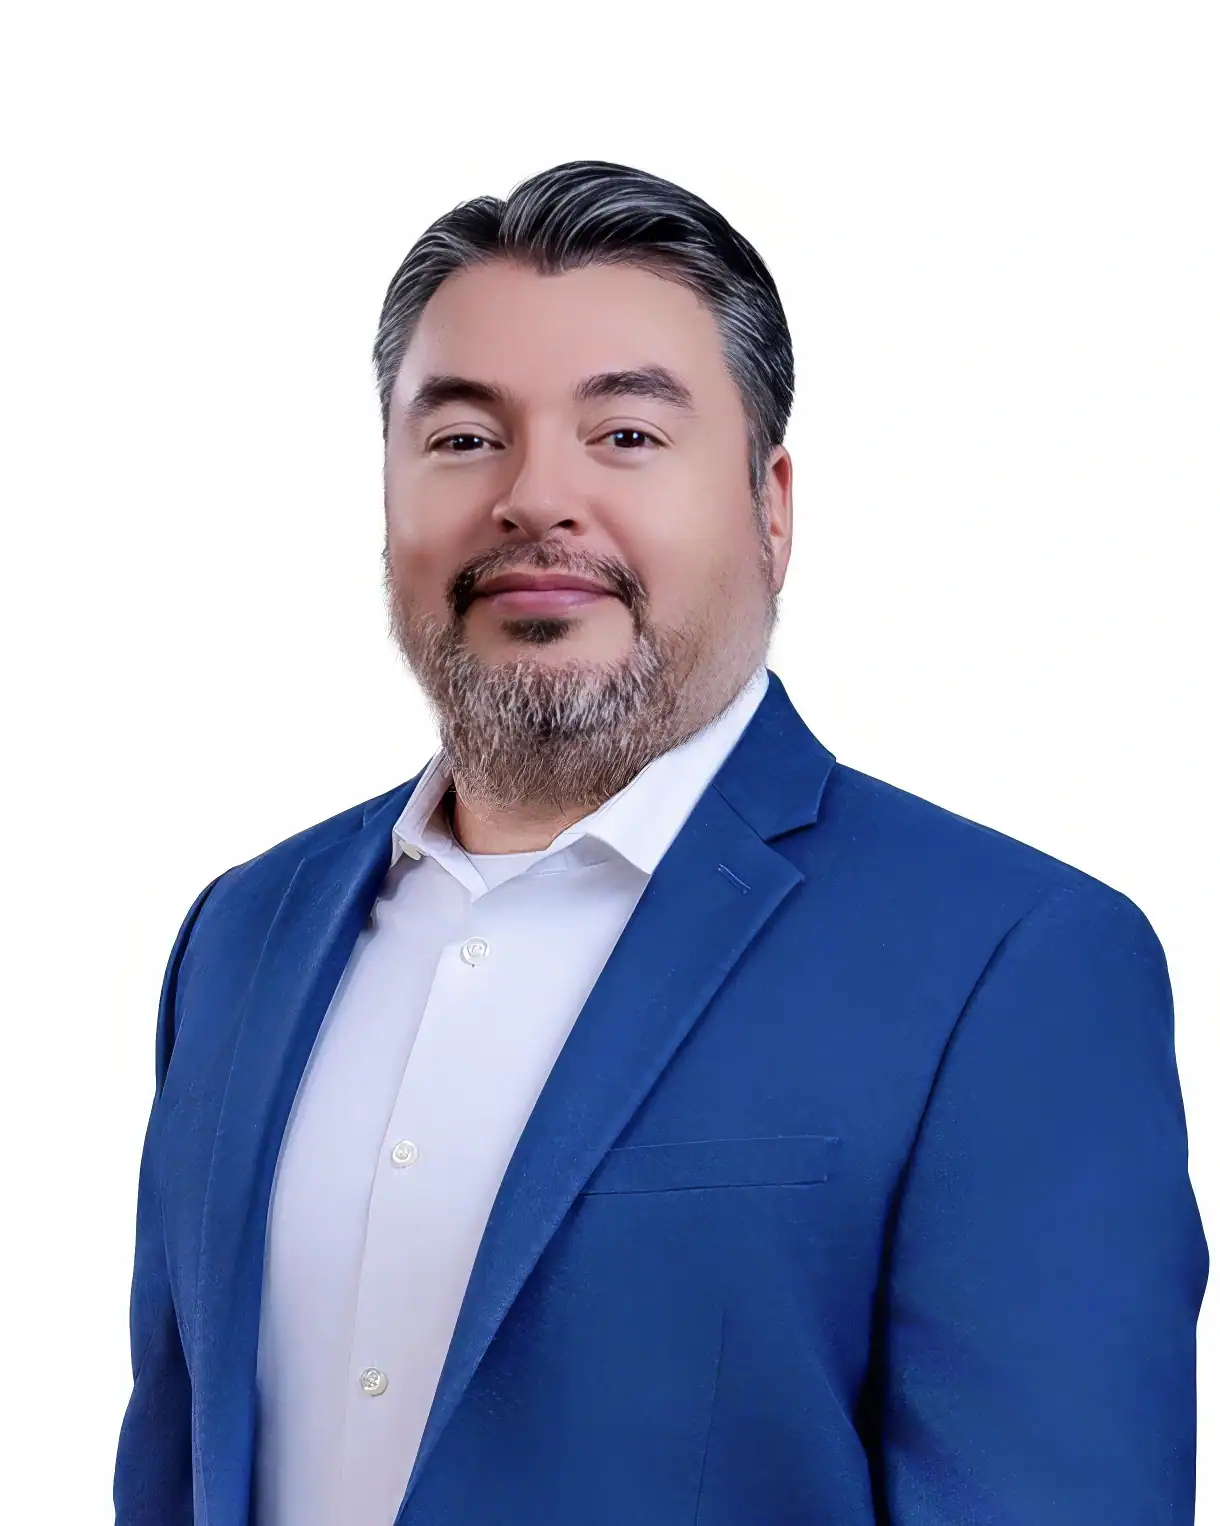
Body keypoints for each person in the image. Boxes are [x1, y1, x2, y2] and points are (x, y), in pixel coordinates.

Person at [113, 159, 1207, 1526]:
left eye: (626, 434)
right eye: (463, 438)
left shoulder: (1011, 966)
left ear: (770, 506)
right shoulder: (239, 935)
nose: (535, 497)